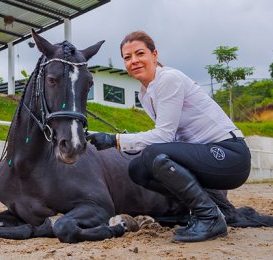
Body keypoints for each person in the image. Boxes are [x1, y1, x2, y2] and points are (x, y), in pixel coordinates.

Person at [86, 31, 251, 243]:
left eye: (140, 53)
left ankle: (210, 218)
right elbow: (170, 141)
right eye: (127, 57)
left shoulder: (168, 79)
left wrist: (115, 140)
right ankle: (218, 210)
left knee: (154, 153)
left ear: (154, 55)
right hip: (204, 156)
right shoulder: (144, 94)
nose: (134, 61)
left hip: (230, 155)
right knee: (138, 169)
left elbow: (164, 136)